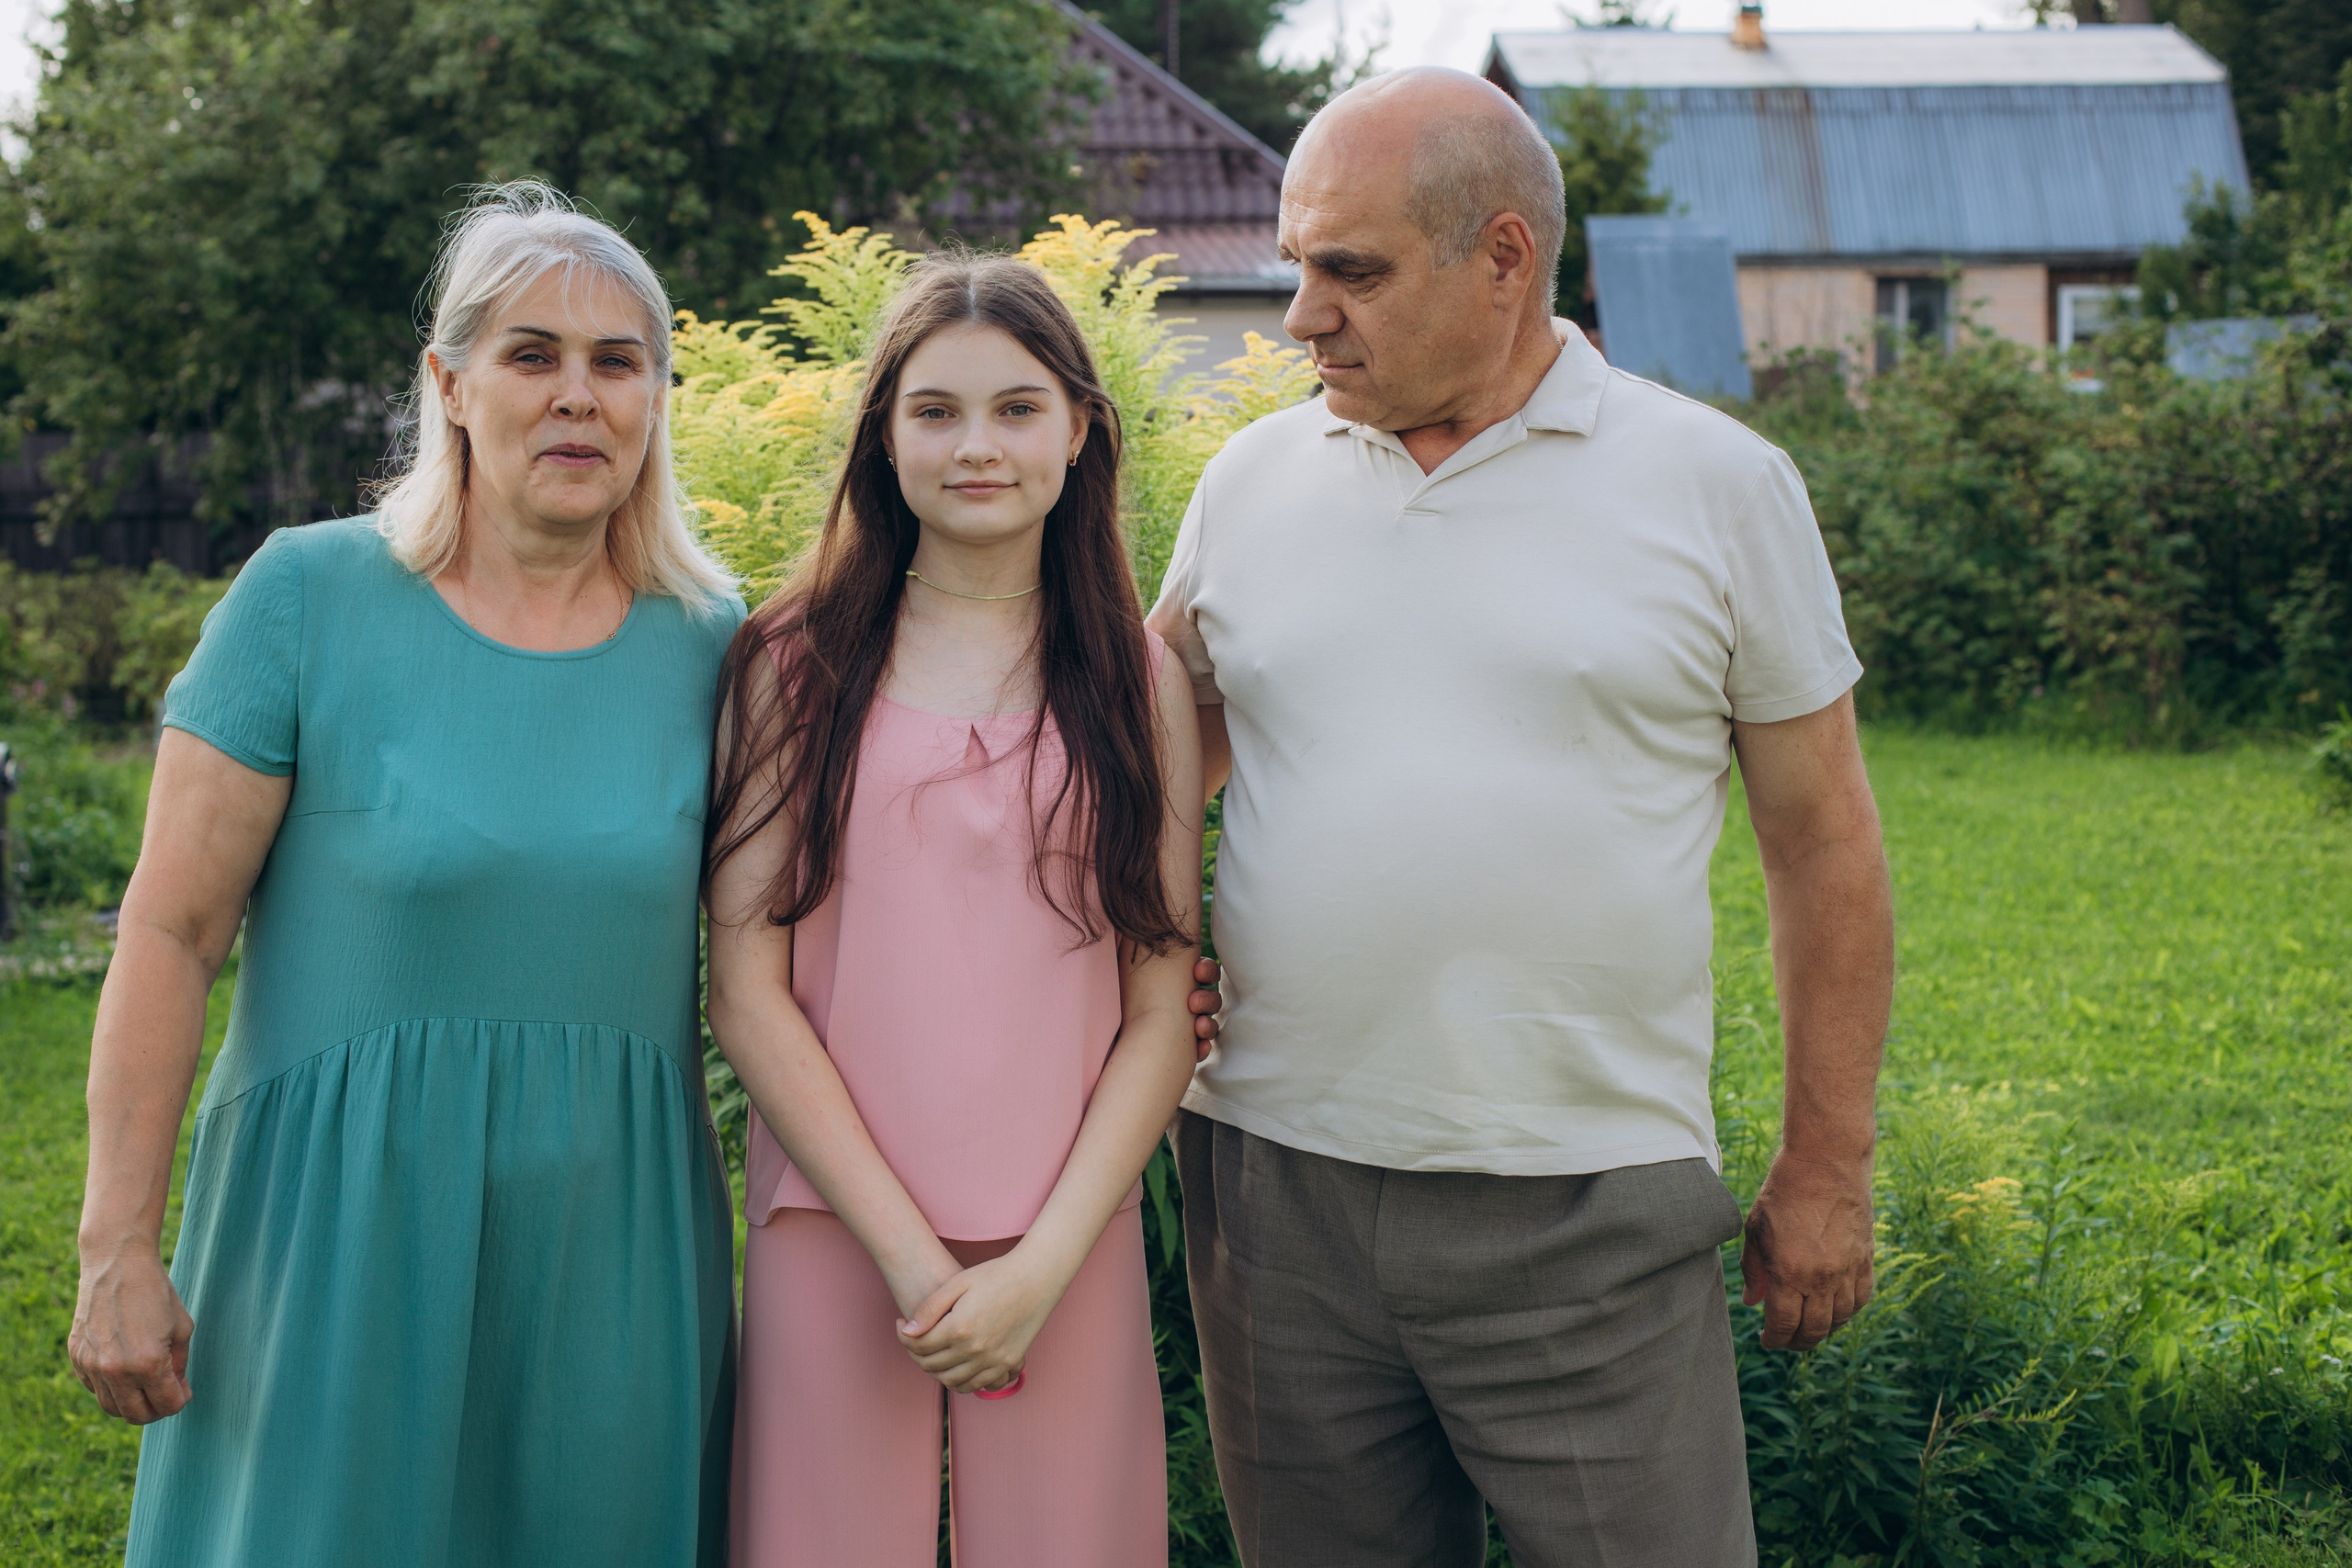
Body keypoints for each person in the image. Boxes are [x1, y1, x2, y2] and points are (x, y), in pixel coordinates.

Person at [1146, 68, 1895, 1568]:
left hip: (1587, 1203)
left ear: (1504, 258)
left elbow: (1823, 843)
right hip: (1273, 1191)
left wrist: (1829, 1162)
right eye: (1297, 266)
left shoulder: (1719, 485)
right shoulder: (1251, 480)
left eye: (1350, 272)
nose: (1299, 318)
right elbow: (1160, 742)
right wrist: (1142, 945)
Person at [68, 182, 743, 1567]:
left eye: (617, 362)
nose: (578, 395)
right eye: (532, 355)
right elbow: (171, 932)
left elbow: (813, 939)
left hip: (608, 1255)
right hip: (334, 1239)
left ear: (656, 399)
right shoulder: (304, 599)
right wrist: (116, 1246)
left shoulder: (719, 647)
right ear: (449, 386)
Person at [706, 254, 1204, 1568]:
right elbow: (747, 989)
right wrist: (915, 1264)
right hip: (834, 1222)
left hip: (1065, 1231)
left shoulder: (1137, 679)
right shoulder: (790, 665)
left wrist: (1041, 1264)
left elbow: (1161, 1009)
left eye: (1017, 408)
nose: (977, 445)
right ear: (883, 435)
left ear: (1081, 428)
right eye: (935, 411)